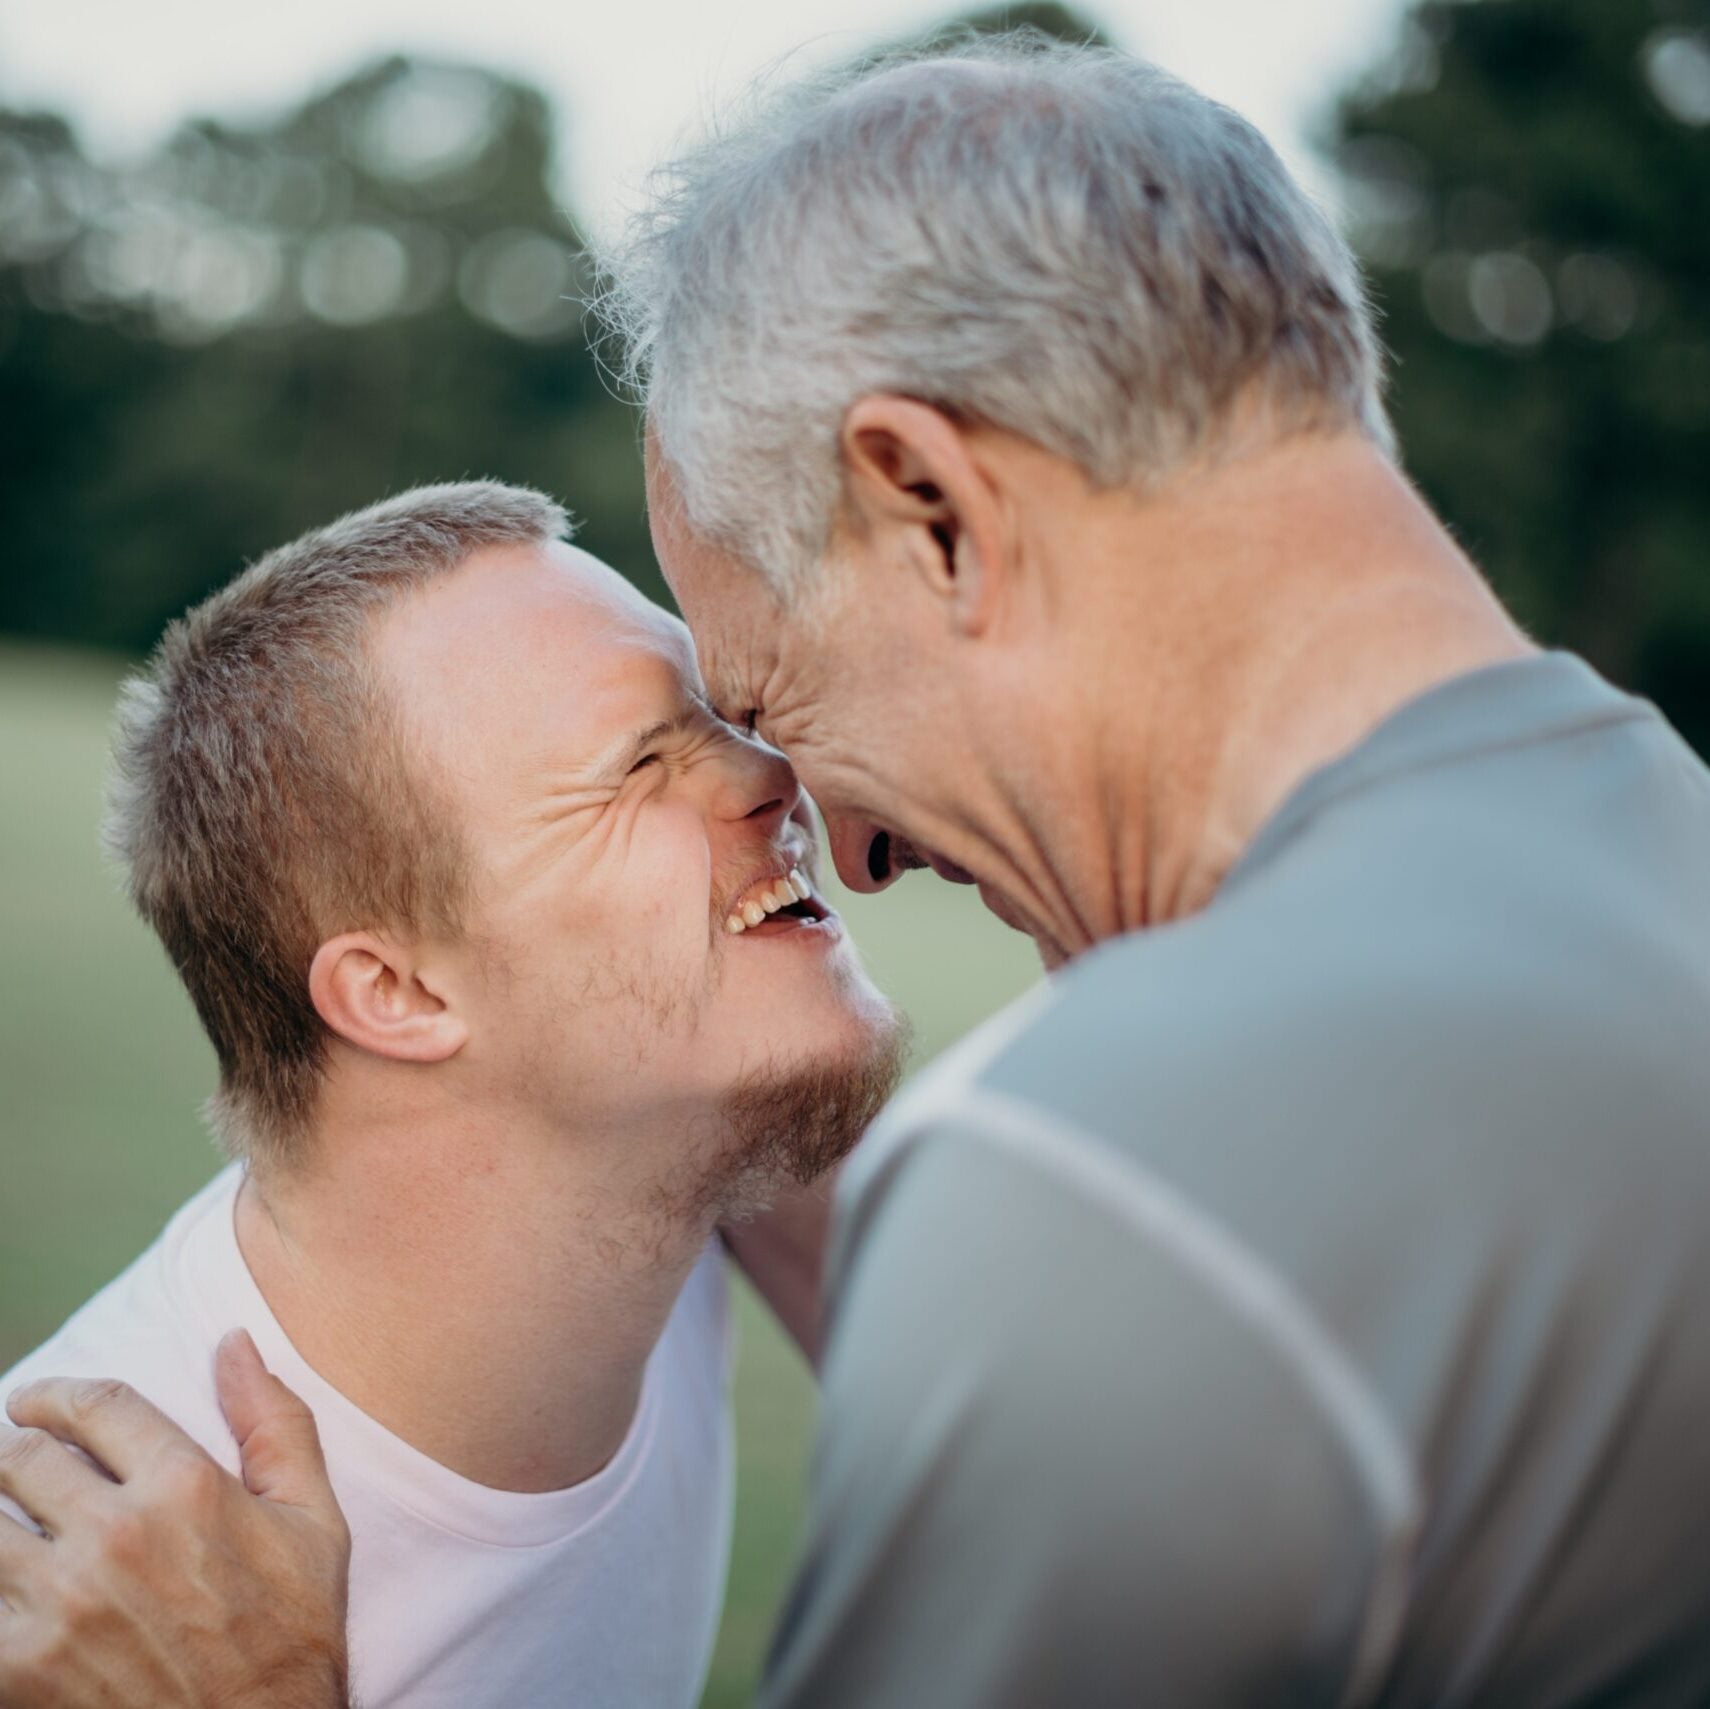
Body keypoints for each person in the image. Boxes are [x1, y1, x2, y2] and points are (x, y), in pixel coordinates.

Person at [6, 31, 1710, 1709]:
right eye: (678, 743)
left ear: (936, 507)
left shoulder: (1111, 1190)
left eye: (763, 692)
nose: (853, 842)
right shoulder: (1660, 840)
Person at [0, 482, 903, 1708]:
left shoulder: (682, 1143)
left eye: (722, 710)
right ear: (398, 991)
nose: (774, 771)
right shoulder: (82, 1602)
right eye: (643, 763)